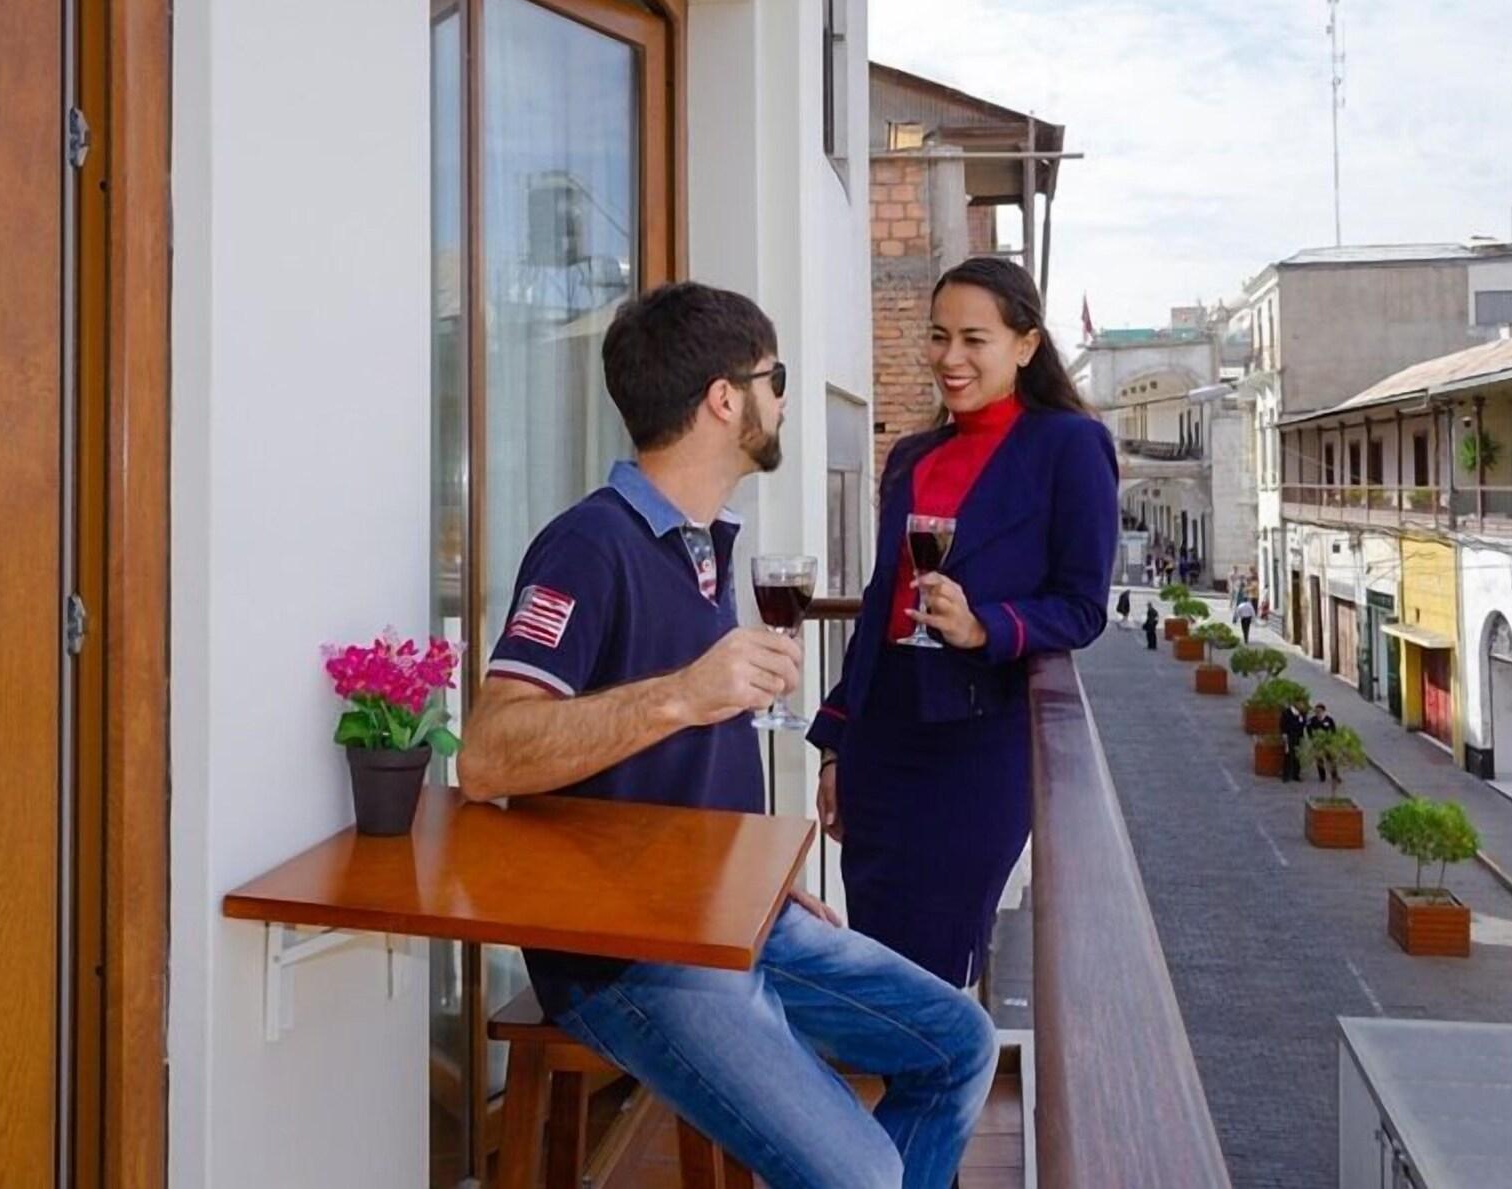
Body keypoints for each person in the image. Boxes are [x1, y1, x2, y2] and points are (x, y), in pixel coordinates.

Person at [457, 282, 995, 1189]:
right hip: (631, 957)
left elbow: (694, 773)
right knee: (865, 1177)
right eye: (773, 378)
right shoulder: (589, 545)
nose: (780, 399)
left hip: (731, 916)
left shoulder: (707, 543)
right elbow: (488, 755)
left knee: (959, 1041)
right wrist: (680, 694)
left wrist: (767, 881)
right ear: (723, 398)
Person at [811, 256, 1118, 988]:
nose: (951, 358)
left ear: (1026, 344)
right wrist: (835, 743)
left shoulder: (1070, 447)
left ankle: (924, 1097)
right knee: (875, 956)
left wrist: (985, 627)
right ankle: (887, 1099)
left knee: (934, 969)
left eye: (974, 339)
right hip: (882, 742)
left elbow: (1081, 604)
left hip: (975, 749)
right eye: (939, 336)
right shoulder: (910, 457)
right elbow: (881, 601)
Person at [1307, 701, 1339, 783]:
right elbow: (1309, 730)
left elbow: (1333, 730)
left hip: (1327, 743)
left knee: (1331, 760)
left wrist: (1332, 739)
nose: (1318, 713)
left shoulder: (1329, 720)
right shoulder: (1312, 720)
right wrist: (1312, 738)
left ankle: (1334, 775)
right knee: (1319, 760)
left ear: (1324, 711)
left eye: (1319, 711)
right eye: (1316, 711)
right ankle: (1322, 777)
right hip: (1317, 743)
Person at [1278, 699, 1308, 783]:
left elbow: (1304, 723)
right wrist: (1284, 734)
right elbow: (1282, 724)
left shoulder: (1302, 713)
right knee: (1288, 756)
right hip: (1289, 737)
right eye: (1300, 703)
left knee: (1297, 756)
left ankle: (1296, 775)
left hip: (1298, 737)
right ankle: (1286, 775)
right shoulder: (1287, 713)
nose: (1302, 705)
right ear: (1296, 703)